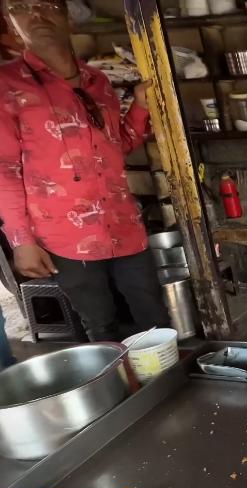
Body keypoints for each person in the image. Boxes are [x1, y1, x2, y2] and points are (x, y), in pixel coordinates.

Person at [0, 0, 170, 342]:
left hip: (123, 225)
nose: (36, 14)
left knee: (154, 318)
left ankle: (170, 385)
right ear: (10, 24)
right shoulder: (7, 86)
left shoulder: (98, 81)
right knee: (100, 326)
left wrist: (139, 106)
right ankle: (122, 391)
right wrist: (21, 240)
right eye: (22, 6)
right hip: (66, 235)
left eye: (47, 5)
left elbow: (115, 146)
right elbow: (5, 170)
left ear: (69, 20)